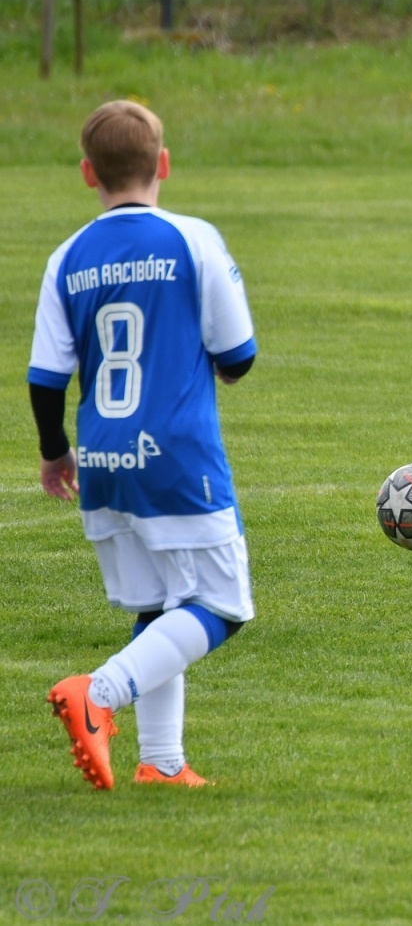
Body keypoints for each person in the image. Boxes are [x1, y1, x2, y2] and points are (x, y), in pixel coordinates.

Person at [29, 100, 258, 789]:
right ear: (162, 165)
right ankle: (99, 693)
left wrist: (54, 450)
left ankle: (160, 762)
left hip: (102, 459)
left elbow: (46, 376)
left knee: (159, 605)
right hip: (178, 456)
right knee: (221, 605)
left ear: (86, 173)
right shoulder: (192, 239)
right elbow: (238, 353)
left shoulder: (66, 257)